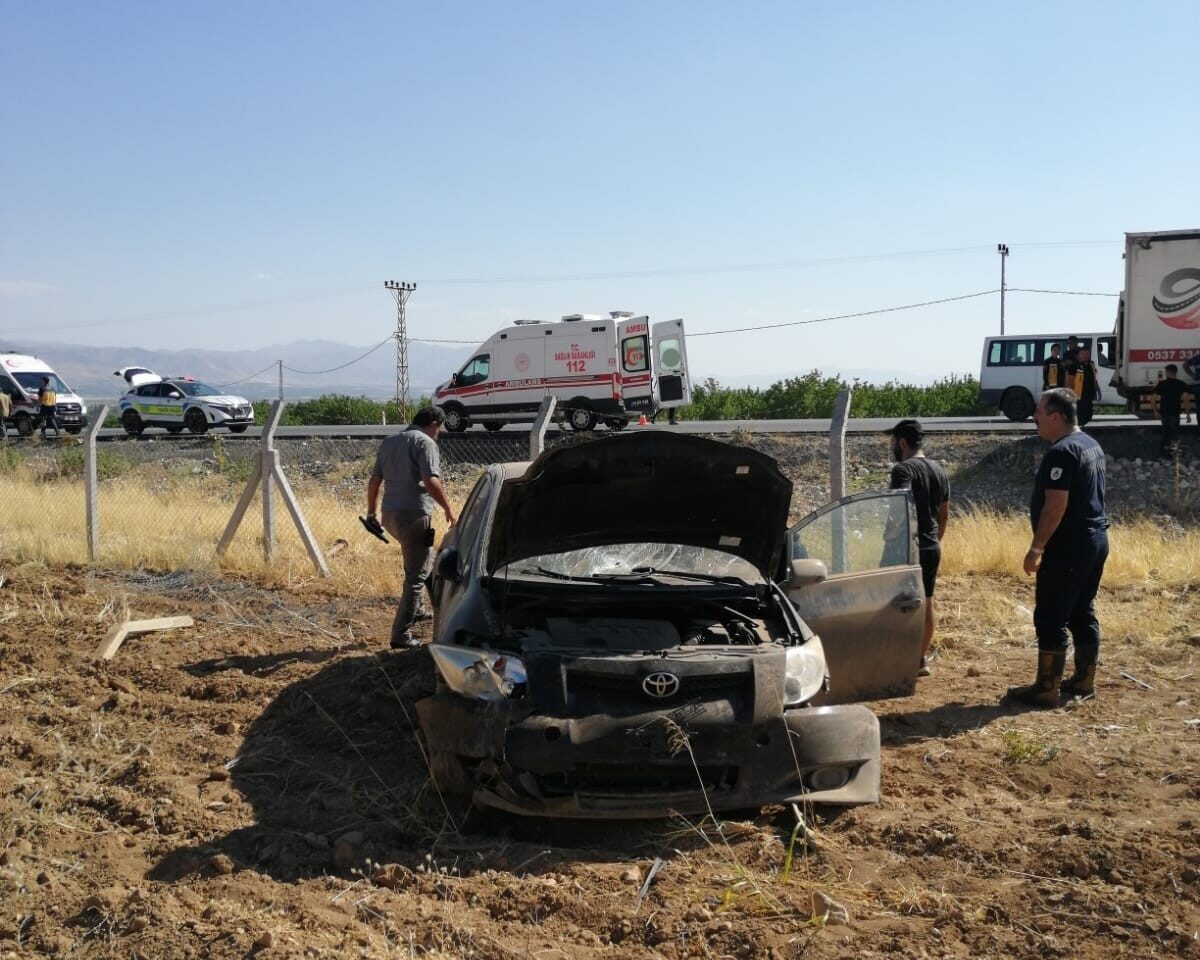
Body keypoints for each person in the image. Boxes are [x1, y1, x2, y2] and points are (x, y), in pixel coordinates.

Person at [1005, 388, 1109, 708]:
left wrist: (1036, 549)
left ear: (1056, 416)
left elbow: (1055, 505)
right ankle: (1083, 679)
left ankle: (1047, 687)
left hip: (1069, 547)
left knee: (1051, 615)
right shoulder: (1090, 444)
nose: (1034, 416)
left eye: (1039, 411)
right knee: (1082, 609)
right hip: (1095, 541)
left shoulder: (1062, 452)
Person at [365, 406, 456, 649]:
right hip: (413, 516)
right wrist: (448, 508)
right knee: (416, 576)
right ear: (435, 423)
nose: (440, 432)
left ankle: (419, 608)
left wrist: (371, 512)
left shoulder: (390, 441)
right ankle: (400, 634)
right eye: (440, 427)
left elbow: (375, 481)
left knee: (425, 561)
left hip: (390, 516)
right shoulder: (425, 443)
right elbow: (430, 480)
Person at [885, 419, 950, 678]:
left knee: (894, 603)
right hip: (931, 545)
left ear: (902, 442)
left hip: (904, 546)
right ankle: (919, 659)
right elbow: (944, 515)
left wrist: (889, 538)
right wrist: (933, 541)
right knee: (927, 602)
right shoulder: (939, 470)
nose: (892, 446)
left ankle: (895, 656)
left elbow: (900, 508)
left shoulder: (902, 470)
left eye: (893, 441)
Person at [1152, 364, 1187, 457]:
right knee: (1174, 433)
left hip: (1164, 413)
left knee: (1165, 432)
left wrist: (1155, 411)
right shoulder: (1181, 384)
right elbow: (1186, 399)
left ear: (1167, 372)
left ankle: (1163, 452)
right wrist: (1187, 414)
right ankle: (1173, 453)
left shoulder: (1162, 384)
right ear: (1176, 372)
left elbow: (1153, 398)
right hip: (1175, 413)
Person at [1066, 345, 1100, 427]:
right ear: (1079, 355)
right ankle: (1077, 429)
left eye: (1087, 354)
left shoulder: (1091, 364)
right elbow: (1069, 381)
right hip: (1079, 395)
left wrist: (1096, 389)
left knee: (1088, 414)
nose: (1085, 356)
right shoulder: (1074, 366)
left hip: (1089, 394)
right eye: (1083, 354)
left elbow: (1094, 377)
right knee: (1080, 414)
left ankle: (1082, 427)